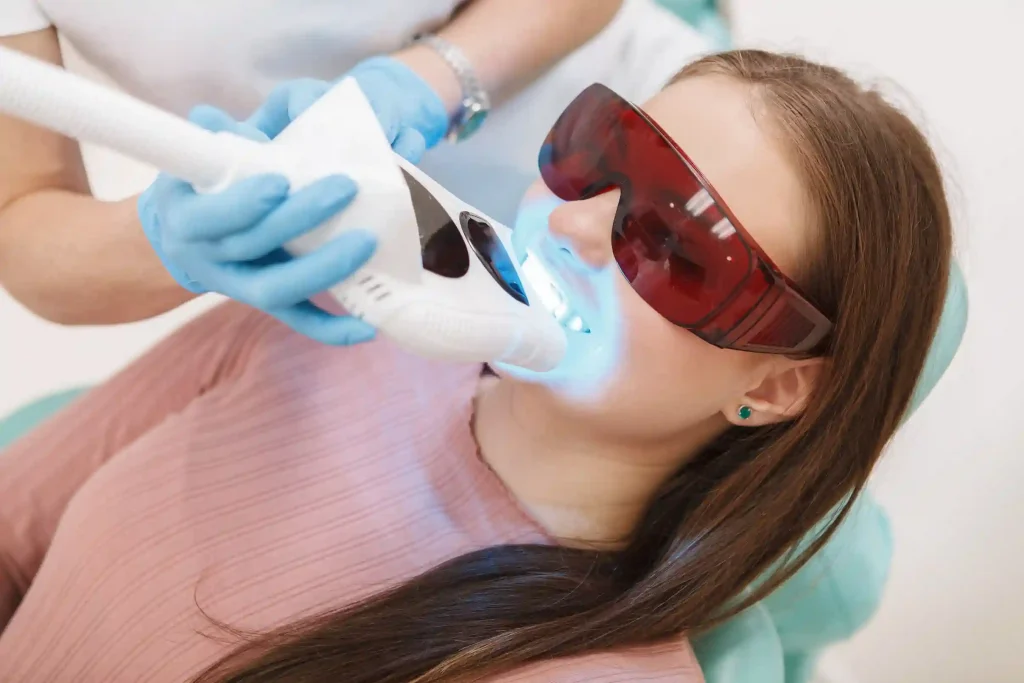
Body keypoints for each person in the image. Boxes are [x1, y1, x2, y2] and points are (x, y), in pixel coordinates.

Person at [0, 49, 952, 682]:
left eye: (674, 245)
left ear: (776, 382)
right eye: (597, 158)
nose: (573, 226)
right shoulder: (331, 314)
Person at [0, 0, 625, 337]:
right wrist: (173, 241)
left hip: (616, 129)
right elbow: (22, 221)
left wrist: (422, 81)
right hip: (370, 276)